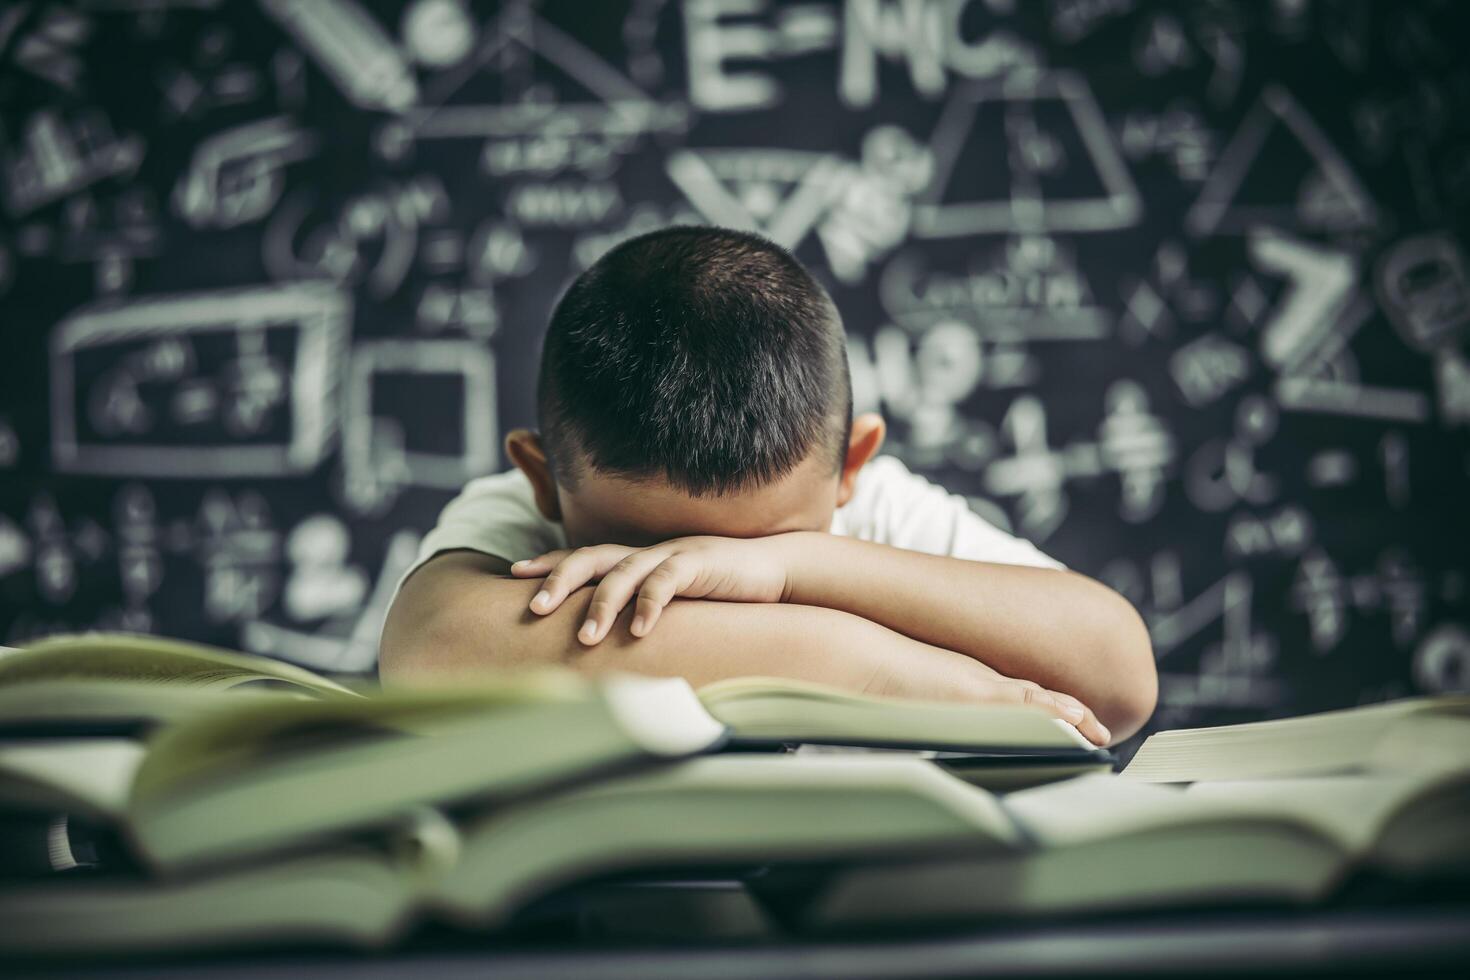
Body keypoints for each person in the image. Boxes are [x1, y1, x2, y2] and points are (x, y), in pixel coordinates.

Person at [379, 226, 1156, 745]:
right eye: (646, 559)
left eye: (752, 548)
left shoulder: (881, 511)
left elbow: (1119, 680)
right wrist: (867, 666)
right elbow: (430, 646)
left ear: (853, 466)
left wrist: (795, 571)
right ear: (543, 481)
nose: (702, 583)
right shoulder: (515, 522)